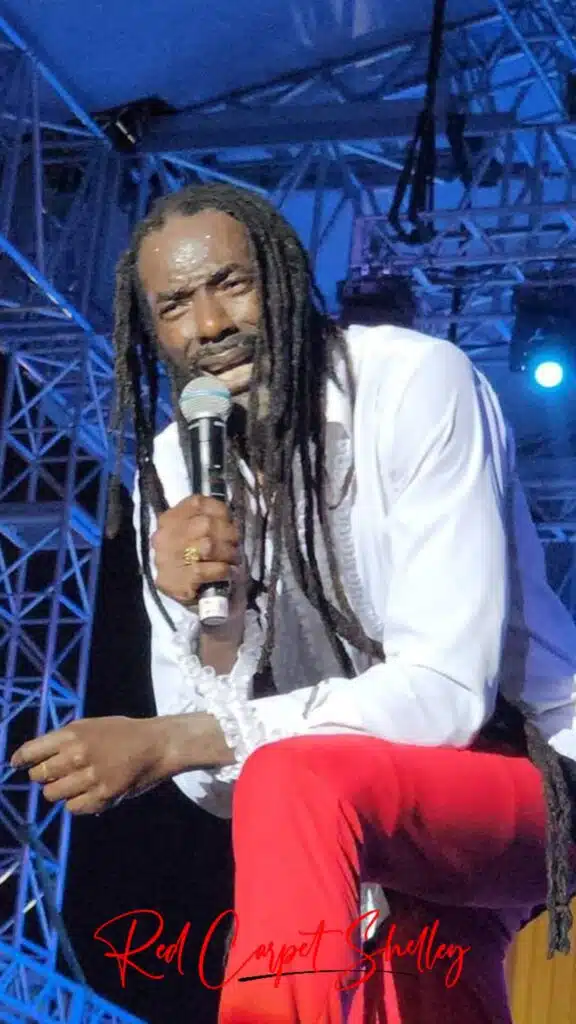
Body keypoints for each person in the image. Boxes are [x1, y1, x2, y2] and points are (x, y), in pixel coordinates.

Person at [11, 184, 576, 1024]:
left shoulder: (412, 383)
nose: (209, 326)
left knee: (294, 777)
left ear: (285, 275)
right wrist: (218, 624)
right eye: (175, 306)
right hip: (372, 835)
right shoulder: (174, 469)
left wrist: (179, 738)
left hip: (530, 774)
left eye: (231, 284)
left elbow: (446, 697)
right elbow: (213, 786)